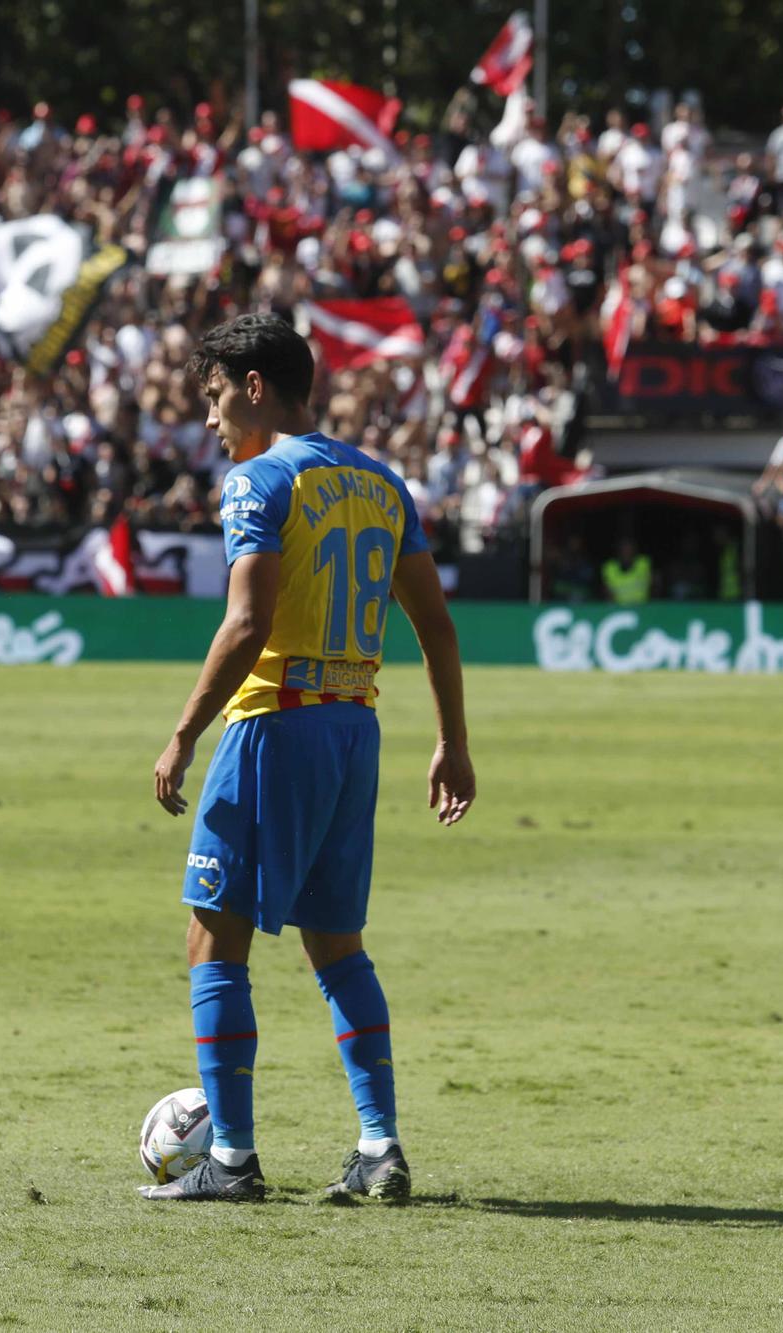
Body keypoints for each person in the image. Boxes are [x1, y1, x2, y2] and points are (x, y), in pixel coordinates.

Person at [144, 313, 477, 1203]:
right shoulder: (380, 481)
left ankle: (233, 1159)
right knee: (338, 946)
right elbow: (435, 622)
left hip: (275, 726)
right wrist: (452, 738)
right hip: (353, 732)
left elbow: (248, 623)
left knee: (213, 937)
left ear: (255, 387)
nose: (210, 422)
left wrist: (183, 732)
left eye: (215, 399)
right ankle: (379, 1146)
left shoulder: (258, 481)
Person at [602, 536, 651, 604]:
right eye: (623, 549)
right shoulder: (610, 568)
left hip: (643, 607)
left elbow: (655, 584)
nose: (626, 551)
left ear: (634, 550)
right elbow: (607, 592)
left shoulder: (644, 563)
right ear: (618, 551)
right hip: (619, 609)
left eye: (629, 548)